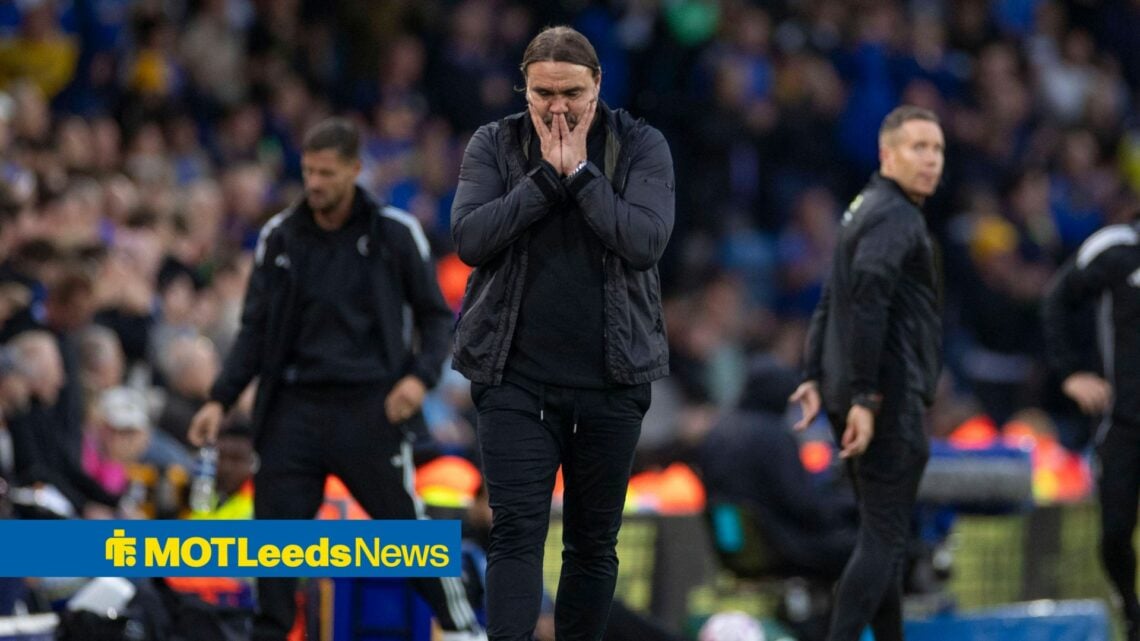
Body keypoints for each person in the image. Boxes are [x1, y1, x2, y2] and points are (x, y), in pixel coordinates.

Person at [188, 118, 483, 641]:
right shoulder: (280, 238)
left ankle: (461, 628)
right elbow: (254, 330)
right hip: (291, 408)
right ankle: (270, 634)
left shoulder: (394, 232)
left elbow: (437, 317)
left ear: (354, 170)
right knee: (274, 546)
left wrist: (419, 379)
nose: (316, 184)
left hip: (369, 405)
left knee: (407, 535)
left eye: (327, 173)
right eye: (309, 172)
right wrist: (220, 398)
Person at [450, 25, 674, 641]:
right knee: (515, 532)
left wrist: (580, 176)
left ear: (597, 84)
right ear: (523, 88)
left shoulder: (640, 145)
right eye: (543, 92)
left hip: (611, 381)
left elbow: (644, 241)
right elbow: (470, 238)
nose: (557, 107)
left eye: (571, 92)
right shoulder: (493, 144)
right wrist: (546, 179)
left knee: (593, 544)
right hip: (514, 378)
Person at [790, 105, 944, 641]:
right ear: (887, 154)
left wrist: (814, 373)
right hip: (885, 396)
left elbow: (833, 295)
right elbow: (868, 298)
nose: (930, 160)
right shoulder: (897, 215)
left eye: (937, 149)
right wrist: (866, 397)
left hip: (855, 391)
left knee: (885, 541)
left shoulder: (862, 208)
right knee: (883, 540)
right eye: (917, 147)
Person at [1041, 214, 1140, 641]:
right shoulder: (1116, 248)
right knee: (1115, 532)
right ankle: (1129, 606)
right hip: (1123, 422)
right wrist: (1071, 373)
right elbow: (1057, 298)